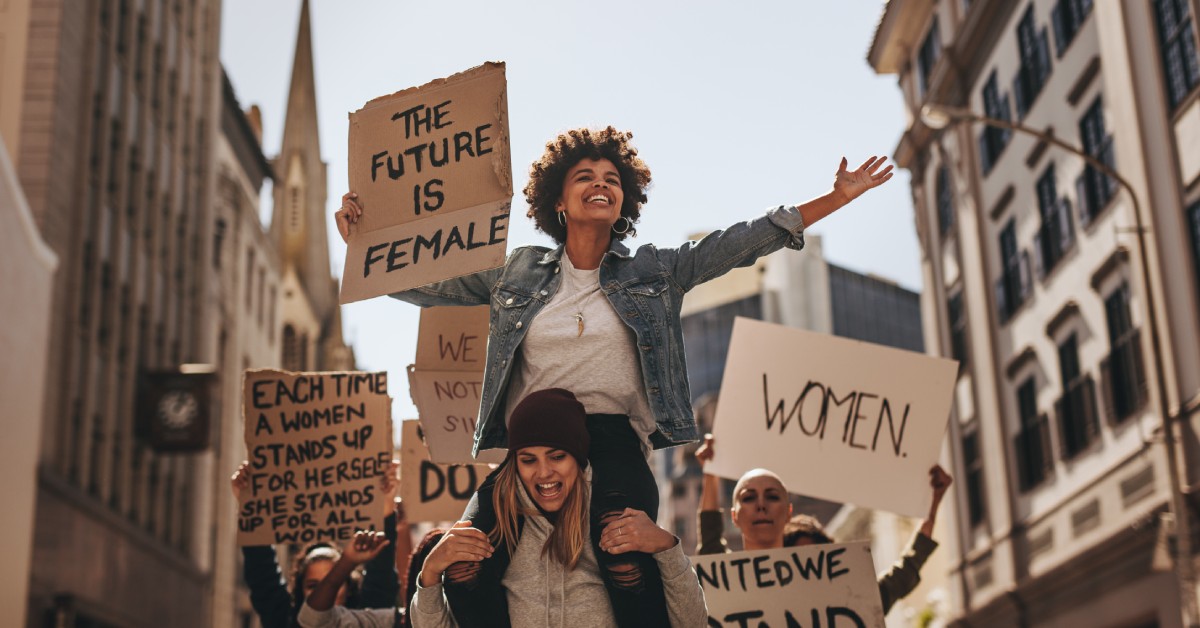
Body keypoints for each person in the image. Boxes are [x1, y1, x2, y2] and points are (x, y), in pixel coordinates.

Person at [337, 126, 892, 626]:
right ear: (558, 196)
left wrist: (834, 199)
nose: (601, 184)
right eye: (585, 176)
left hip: (612, 438)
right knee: (463, 557)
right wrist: (361, 246)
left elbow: (734, 245)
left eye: (612, 179)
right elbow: (431, 284)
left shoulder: (654, 269)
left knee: (623, 551)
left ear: (624, 198)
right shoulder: (518, 271)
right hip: (534, 445)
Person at [298, 389, 708, 628]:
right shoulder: (498, 533)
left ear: (579, 459)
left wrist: (667, 547)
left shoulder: (617, 525)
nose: (543, 473)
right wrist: (430, 575)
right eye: (528, 460)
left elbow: (690, 622)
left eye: (557, 457)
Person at [693, 434, 952, 614]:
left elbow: (904, 572)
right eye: (749, 498)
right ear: (734, 516)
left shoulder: (845, 596)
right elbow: (711, 542)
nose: (761, 505)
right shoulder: (724, 582)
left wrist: (933, 503)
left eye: (772, 497)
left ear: (788, 513)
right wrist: (711, 473)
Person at [232, 461, 402, 627]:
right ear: (300, 590)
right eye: (313, 586)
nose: (327, 590)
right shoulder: (284, 619)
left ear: (349, 587)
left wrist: (385, 505)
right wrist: (250, 508)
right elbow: (262, 575)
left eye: (336, 580)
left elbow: (381, 574)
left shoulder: (366, 618)